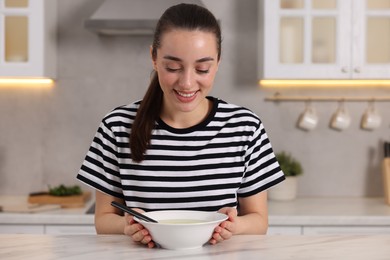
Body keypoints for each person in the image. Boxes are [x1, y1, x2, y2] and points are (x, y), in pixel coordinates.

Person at [77, 3, 285, 248]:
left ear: (218, 62)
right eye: (173, 67)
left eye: (202, 68)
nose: (187, 83)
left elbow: (259, 221)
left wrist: (234, 226)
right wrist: (126, 226)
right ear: (154, 58)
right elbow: (103, 220)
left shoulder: (245, 127)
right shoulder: (117, 126)